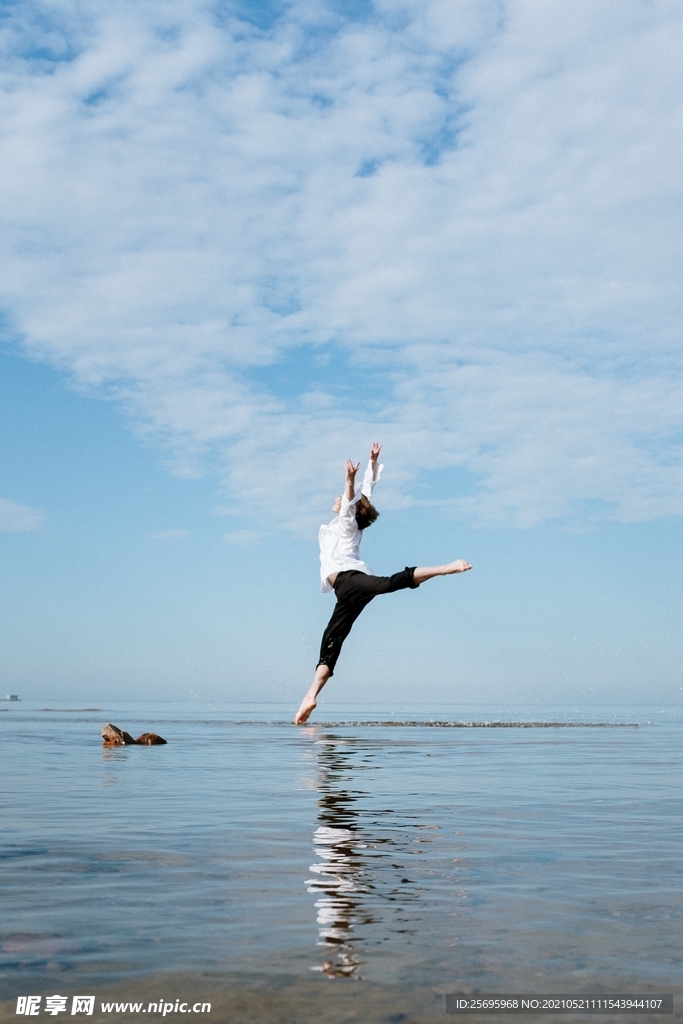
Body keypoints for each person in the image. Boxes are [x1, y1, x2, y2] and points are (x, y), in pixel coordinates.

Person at [295, 443, 472, 725]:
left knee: (390, 583)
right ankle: (310, 696)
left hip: (350, 580)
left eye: (341, 498)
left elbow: (354, 501)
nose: (338, 498)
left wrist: (350, 480)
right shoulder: (344, 524)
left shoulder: (347, 523)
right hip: (347, 592)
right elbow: (364, 497)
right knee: (332, 639)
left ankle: (445, 568)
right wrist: (372, 464)